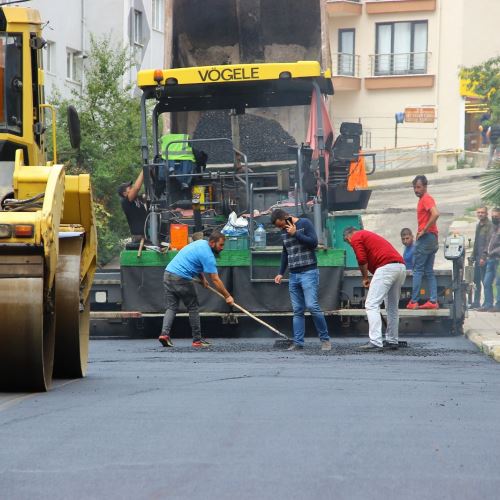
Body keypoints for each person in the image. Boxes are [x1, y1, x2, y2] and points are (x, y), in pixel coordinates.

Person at [159, 230, 234, 348]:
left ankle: (164, 334)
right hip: (181, 278)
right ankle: (197, 340)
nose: (222, 248)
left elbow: (195, 262)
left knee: (171, 307)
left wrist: (202, 278)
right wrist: (227, 296)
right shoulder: (209, 256)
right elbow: (215, 279)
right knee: (193, 307)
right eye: (221, 245)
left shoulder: (201, 243)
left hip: (168, 274)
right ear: (212, 243)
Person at [271, 209, 331, 351]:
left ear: (286, 217)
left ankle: (325, 340)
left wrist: (296, 233)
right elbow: (285, 252)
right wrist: (280, 273)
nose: (281, 228)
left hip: (309, 271)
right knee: (297, 310)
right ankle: (298, 343)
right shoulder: (284, 231)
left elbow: (314, 243)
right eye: (279, 227)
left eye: (280, 225)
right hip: (293, 274)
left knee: (312, 306)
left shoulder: (305, 223)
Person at [343, 227, 406, 351]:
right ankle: (392, 340)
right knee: (392, 307)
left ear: (348, 236)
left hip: (386, 268)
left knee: (371, 304)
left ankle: (375, 341)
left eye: (347, 241)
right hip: (400, 267)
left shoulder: (356, 237)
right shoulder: (368, 235)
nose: (350, 244)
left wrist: (365, 278)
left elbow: (361, 259)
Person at [407, 175, 440, 310]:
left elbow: (436, 214)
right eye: (414, 187)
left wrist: (424, 230)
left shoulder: (426, 198)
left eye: (419, 187)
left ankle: (414, 301)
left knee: (417, 270)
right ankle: (433, 301)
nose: (416, 190)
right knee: (429, 271)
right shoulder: (423, 199)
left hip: (426, 238)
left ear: (425, 187)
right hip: (432, 238)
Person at [470, 206, 493, 309]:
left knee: (485, 282)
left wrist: (484, 257)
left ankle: (488, 303)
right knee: (476, 281)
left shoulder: (490, 226)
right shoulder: (478, 225)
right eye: (478, 212)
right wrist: (472, 256)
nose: (480, 214)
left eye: (482, 212)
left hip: (485, 258)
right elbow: (476, 242)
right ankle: (476, 302)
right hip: (477, 257)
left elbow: (488, 243)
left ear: (486, 213)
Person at [117, 170, 148, 242]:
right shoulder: (126, 201)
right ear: (125, 193)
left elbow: (146, 197)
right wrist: (144, 170)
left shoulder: (137, 198)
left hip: (146, 235)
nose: (132, 189)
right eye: (130, 188)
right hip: (139, 238)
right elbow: (137, 188)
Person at [479, 208, 500, 312]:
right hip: (490, 259)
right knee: (487, 282)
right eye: (493, 216)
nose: (494, 218)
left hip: (498, 259)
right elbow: (488, 244)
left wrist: (495, 252)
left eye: (496, 216)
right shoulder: (492, 228)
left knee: (498, 283)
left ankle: (498, 305)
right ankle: (488, 304)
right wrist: (484, 256)